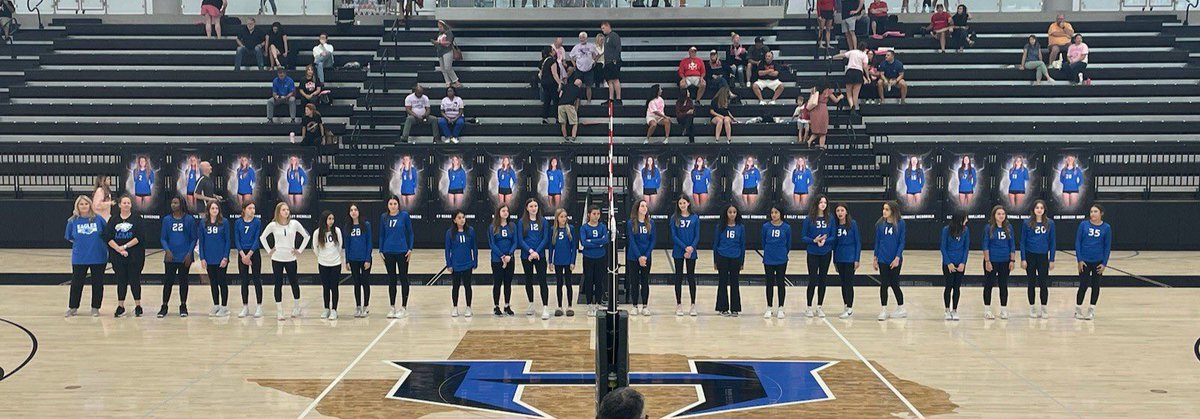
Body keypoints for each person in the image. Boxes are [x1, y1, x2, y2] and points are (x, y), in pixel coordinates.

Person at [259, 202, 310, 321]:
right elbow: (262, 237)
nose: (286, 212)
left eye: (287, 210)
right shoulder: (273, 225)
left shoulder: (294, 224)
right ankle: (280, 310)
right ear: (278, 212)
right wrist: (269, 251)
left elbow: (306, 236)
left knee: (294, 282)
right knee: (278, 284)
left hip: (291, 258)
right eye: (283, 210)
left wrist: (300, 250)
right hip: (277, 258)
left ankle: (296, 307)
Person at [65, 196, 108, 318]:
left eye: (86, 204)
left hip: (98, 256)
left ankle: (95, 308)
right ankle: (73, 307)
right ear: (77, 206)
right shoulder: (72, 221)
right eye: (81, 204)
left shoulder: (99, 219)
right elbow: (69, 237)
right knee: (76, 283)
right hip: (80, 258)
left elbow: (106, 234)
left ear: (90, 205)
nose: (84, 206)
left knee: (97, 283)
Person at [104, 196, 145, 318]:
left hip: (134, 256)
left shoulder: (137, 219)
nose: (126, 204)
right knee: (121, 280)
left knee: (134, 280)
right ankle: (120, 306)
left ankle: (138, 306)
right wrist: (118, 249)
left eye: (128, 203)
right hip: (118, 256)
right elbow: (108, 237)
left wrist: (125, 247)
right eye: (124, 202)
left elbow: (140, 237)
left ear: (131, 205)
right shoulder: (113, 219)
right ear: (120, 205)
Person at [159, 197, 197, 318]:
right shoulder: (167, 220)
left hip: (184, 256)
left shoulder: (189, 220)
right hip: (170, 257)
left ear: (181, 204)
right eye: (172, 202)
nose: (173, 205)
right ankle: (164, 306)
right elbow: (163, 238)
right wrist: (167, 250)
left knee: (183, 281)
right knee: (168, 282)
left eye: (176, 203)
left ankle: (183, 305)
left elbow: (193, 238)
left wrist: (189, 254)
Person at [379, 196, 414, 318]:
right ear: (387, 205)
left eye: (394, 203)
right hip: (388, 251)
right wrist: (381, 250)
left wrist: (410, 249)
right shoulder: (384, 217)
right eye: (390, 204)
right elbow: (382, 235)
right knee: (392, 279)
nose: (392, 206)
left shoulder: (404, 216)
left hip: (402, 251)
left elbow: (410, 232)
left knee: (403, 278)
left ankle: (404, 307)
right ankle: (392, 307)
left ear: (398, 205)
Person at [802, 195, 836, 317]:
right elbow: (803, 236)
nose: (823, 204)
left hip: (825, 252)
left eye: (825, 202)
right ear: (816, 203)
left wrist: (824, 241)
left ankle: (819, 306)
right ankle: (809, 307)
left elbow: (833, 236)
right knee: (812, 279)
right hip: (812, 252)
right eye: (821, 202)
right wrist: (814, 240)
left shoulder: (830, 218)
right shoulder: (809, 218)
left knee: (823, 279)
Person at [1074, 204, 1110, 321]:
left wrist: (1104, 263)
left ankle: (1091, 310)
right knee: (1083, 285)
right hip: (1084, 261)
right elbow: (1078, 242)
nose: (1092, 214)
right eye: (1091, 211)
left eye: (1095, 211)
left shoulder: (1106, 228)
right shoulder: (1083, 225)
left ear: (1101, 213)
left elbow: (1107, 246)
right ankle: (1078, 309)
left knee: (1095, 285)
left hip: (1098, 261)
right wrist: (1079, 260)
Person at [1021, 200, 1055, 319]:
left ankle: (1044, 308)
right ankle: (1032, 307)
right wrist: (1023, 259)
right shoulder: (1027, 223)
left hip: (1043, 256)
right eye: (1037, 208)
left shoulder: (1050, 223)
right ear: (1033, 210)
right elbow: (1022, 242)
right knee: (1031, 283)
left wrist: (1052, 259)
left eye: (1041, 207)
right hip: (1030, 256)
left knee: (1043, 283)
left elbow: (1052, 242)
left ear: (1044, 209)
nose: (1039, 210)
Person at [519, 198, 551, 320]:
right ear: (527, 208)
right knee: (528, 279)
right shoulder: (522, 222)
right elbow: (520, 240)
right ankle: (531, 304)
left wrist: (537, 252)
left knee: (543, 280)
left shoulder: (543, 222)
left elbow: (545, 239)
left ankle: (545, 307)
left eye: (536, 206)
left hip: (540, 255)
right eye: (531, 206)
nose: (534, 208)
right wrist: (530, 251)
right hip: (526, 255)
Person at [873, 201, 906, 321]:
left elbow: (901, 242)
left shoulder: (900, 224)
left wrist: (897, 257)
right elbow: (877, 242)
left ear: (893, 211)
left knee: (894, 283)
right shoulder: (880, 224)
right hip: (883, 258)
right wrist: (875, 258)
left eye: (887, 209)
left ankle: (901, 307)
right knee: (884, 284)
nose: (884, 211)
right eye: (883, 209)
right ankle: (883, 309)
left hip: (895, 259)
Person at [981, 205, 1015, 320]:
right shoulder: (988, 228)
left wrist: (1012, 260)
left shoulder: (1009, 227)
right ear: (994, 215)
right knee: (988, 285)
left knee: (1003, 285)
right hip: (992, 261)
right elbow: (985, 245)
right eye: (999, 214)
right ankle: (987, 310)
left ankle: (1004, 310)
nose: (1001, 216)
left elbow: (1012, 244)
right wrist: (987, 261)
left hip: (1005, 261)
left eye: (1003, 214)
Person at [198, 202, 231, 318]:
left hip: (221, 258)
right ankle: (216, 305)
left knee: (222, 282)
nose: (215, 210)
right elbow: (201, 242)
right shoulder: (203, 223)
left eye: (216, 208)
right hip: (209, 258)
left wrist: (225, 257)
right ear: (208, 210)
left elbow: (228, 241)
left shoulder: (224, 222)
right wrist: (202, 258)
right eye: (212, 208)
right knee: (213, 283)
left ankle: (224, 307)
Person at [445, 210, 478, 317]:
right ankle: (455, 307)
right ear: (454, 220)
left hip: (468, 263)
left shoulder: (470, 231)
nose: (462, 219)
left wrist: (475, 261)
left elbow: (474, 247)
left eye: (463, 217)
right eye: (459, 218)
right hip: (456, 264)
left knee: (468, 286)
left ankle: (468, 307)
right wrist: (449, 264)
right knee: (456, 286)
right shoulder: (450, 233)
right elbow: (447, 250)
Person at [714, 204, 745, 317]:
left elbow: (742, 245)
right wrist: (715, 260)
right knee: (722, 283)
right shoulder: (720, 227)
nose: (732, 214)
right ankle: (722, 308)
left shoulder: (740, 227)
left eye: (734, 212)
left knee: (734, 283)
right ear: (726, 213)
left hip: (735, 258)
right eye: (730, 212)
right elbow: (716, 244)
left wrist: (742, 261)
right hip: (722, 257)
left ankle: (735, 308)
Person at [670, 196, 700, 316]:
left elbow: (697, 235)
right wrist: (684, 247)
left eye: (684, 203)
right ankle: (679, 304)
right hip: (679, 251)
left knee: (691, 277)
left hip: (691, 251)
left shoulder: (695, 218)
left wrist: (691, 248)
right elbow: (674, 236)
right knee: (678, 277)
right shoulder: (674, 218)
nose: (682, 205)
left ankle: (693, 304)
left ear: (688, 203)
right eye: (680, 203)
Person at [761, 205, 792, 319]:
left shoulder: (786, 228)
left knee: (780, 283)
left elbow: (788, 244)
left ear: (781, 214)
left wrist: (783, 253)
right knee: (769, 283)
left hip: (781, 258)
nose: (774, 215)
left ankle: (781, 308)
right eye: (772, 212)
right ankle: (769, 307)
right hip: (769, 258)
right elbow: (763, 242)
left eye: (776, 212)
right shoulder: (766, 227)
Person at [234, 202, 264, 318]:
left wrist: (249, 255)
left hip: (254, 253)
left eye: (254, 208)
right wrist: (243, 255)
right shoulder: (238, 222)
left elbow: (257, 239)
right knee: (244, 280)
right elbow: (236, 239)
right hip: (242, 253)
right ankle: (245, 306)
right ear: (244, 210)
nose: (252, 210)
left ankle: (259, 306)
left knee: (256, 279)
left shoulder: (257, 222)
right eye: (250, 208)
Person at [313, 210, 344, 320]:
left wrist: (335, 256)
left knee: (334, 287)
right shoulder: (317, 232)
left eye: (332, 219)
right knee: (325, 287)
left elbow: (340, 246)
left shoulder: (337, 231)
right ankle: (326, 308)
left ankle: (334, 309)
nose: (331, 221)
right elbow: (315, 247)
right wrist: (321, 257)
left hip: (335, 263)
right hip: (323, 263)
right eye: (329, 219)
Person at [626, 199, 655, 316]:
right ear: (637, 208)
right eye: (642, 206)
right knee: (634, 281)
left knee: (645, 281)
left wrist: (645, 256)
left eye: (646, 206)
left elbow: (653, 241)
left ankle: (645, 306)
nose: (644, 208)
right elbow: (632, 241)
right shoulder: (631, 223)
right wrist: (639, 256)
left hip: (646, 257)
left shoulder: (651, 223)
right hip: (633, 257)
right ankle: (634, 306)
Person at [343, 203, 373, 318]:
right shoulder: (347, 227)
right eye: (351, 210)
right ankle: (358, 306)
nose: (353, 212)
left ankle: (366, 306)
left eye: (355, 209)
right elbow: (347, 244)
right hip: (353, 259)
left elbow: (369, 242)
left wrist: (367, 259)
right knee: (356, 283)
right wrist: (347, 260)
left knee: (365, 282)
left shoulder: (366, 225)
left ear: (359, 211)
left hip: (364, 259)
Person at [831, 202, 860, 319]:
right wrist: (834, 260)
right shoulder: (835, 226)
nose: (840, 213)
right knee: (843, 283)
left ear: (846, 212)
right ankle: (845, 305)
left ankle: (850, 307)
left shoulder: (853, 224)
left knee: (849, 283)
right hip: (839, 257)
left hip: (850, 257)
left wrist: (857, 259)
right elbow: (834, 244)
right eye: (838, 211)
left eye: (842, 210)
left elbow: (858, 242)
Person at [489, 205, 519, 316]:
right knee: (497, 283)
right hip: (497, 260)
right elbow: (492, 244)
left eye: (507, 210)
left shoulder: (512, 226)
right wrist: (502, 256)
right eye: (503, 210)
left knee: (508, 283)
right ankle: (496, 306)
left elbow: (515, 242)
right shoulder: (493, 227)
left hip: (510, 259)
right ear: (498, 212)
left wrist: (509, 255)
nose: (506, 212)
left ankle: (507, 305)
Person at [547, 209, 577, 317]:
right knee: (559, 283)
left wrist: (573, 261)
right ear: (557, 218)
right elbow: (551, 247)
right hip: (558, 261)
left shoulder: (571, 229)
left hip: (568, 260)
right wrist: (550, 261)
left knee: (568, 283)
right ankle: (559, 306)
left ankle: (569, 306)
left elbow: (574, 247)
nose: (563, 219)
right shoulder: (553, 230)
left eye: (565, 216)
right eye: (561, 217)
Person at [580, 206, 608, 316]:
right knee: (589, 280)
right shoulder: (584, 228)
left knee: (598, 281)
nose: (596, 216)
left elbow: (605, 240)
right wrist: (598, 242)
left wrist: (591, 240)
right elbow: (584, 243)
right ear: (589, 214)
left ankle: (597, 303)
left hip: (600, 257)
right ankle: (589, 304)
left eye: (598, 214)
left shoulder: (602, 227)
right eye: (594, 214)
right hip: (588, 257)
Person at [940, 211, 968, 321]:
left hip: (960, 262)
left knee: (957, 287)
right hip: (949, 263)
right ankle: (947, 309)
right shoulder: (946, 230)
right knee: (949, 286)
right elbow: (943, 247)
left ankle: (955, 310)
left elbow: (966, 248)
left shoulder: (966, 230)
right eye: (965, 218)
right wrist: (948, 263)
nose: (967, 221)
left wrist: (963, 263)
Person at [833, 43, 870, 113]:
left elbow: (843, 55)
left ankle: (851, 105)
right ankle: (855, 108)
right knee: (855, 93)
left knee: (849, 92)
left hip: (850, 72)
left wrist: (833, 57)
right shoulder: (864, 55)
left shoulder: (853, 52)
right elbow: (865, 67)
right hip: (859, 73)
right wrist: (867, 77)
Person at [805, 82, 843, 149]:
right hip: (822, 109)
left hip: (814, 109)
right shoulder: (827, 91)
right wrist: (840, 97)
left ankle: (809, 141)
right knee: (823, 132)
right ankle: (821, 147)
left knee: (815, 130)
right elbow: (835, 100)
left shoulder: (814, 89)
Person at [569, 32, 598, 104]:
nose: (582, 39)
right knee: (577, 86)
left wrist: (594, 61)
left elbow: (596, 54)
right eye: (580, 38)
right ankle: (577, 101)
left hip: (589, 69)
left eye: (583, 38)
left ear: (586, 38)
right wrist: (574, 64)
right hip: (579, 69)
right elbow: (571, 56)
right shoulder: (576, 47)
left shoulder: (591, 46)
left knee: (589, 86)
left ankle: (589, 101)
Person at [434, 20, 461, 88]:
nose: (439, 28)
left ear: (444, 26)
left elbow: (448, 43)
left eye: (440, 27)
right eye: (438, 27)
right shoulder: (439, 34)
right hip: (440, 52)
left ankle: (456, 81)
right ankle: (447, 82)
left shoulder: (449, 33)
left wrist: (439, 43)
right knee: (443, 68)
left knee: (448, 67)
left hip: (447, 51)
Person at [600, 22, 622, 104]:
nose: (602, 30)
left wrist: (615, 59)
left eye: (603, 28)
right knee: (609, 80)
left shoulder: (614, 36)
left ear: (608, 26)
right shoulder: (607, 38)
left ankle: (619, 98)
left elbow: (618, 48)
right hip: (608, 62)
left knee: (615, 79)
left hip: (614, 61)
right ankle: (611, 98)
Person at [538, 47, 560, 126]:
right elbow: (554, 73)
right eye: (553, 50)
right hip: (552, 83)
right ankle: (557, 117)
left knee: (546, 100)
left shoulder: (543, 61)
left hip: (545, 83)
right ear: (550, 52)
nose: (555, 51)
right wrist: (560, 83)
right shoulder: (552, 61)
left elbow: (540, 74)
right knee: (556, 100)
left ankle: (544, 117)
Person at [559, 73, 583, 143]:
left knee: (563, 123)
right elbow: (577, 102)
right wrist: (575, 110)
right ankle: (573, 137)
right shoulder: (578, 90)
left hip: (560, 105)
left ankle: (565, 136)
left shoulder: (566, 86)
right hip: (570, 105)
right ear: (579, 85)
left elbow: (560, 95)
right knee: (575, 122)